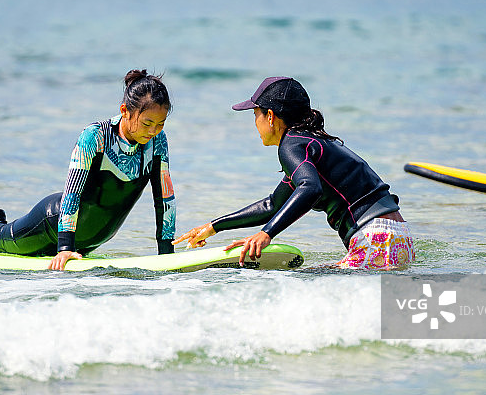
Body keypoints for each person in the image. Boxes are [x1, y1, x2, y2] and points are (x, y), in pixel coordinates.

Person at [0, 69, 176, 270]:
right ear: (125, 111)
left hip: (88, 239)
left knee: (11, 243)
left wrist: (166, 253)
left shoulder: (157, 143)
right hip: (53, 224)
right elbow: (73, 192)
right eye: (147, 123)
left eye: (160, 124)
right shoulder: (95, 136)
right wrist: (65, 247)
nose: (153, 131)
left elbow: (164, 199)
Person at [173, 76, 414, 270]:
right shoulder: (311, 144)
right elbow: (272, 205)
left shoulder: (291, 144)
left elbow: (310, 188)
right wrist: (213, 227)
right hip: (397, 236)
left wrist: (266, 234)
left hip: (375, 238)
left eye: (255, 115)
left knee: (307, 283)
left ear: (270, 116)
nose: (254, 123)